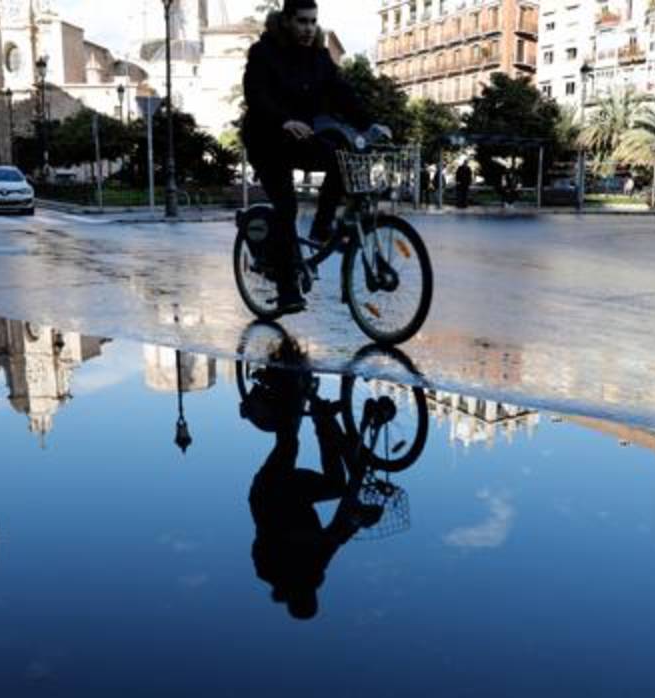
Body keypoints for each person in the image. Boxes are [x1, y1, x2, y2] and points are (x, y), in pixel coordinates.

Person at [241, 0, 382, 314]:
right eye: (303, 21)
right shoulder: (264, 52)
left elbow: (342, 92)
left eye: (313, 22)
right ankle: (288, 287)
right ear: (287, 20)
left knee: (340, 160)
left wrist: (368, 123)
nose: (308, 28)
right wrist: (283, 120)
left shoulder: (319, 57)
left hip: (303, 136)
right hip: (267, 138)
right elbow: (256, 94)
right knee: (286, 207)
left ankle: (320, 229)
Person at [241, 339, 378, 621]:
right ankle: (320, 416)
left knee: (288, 444)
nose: (307, 589)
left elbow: (274, 537)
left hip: (269, 495)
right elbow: (336, 539)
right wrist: (356, 521)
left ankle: (277, 388)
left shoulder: (268, 570)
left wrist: (316, 535)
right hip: (297, 499)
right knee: (337, 486)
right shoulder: (315, 570)